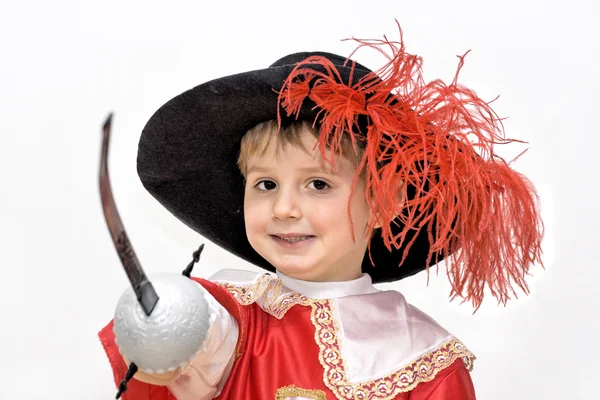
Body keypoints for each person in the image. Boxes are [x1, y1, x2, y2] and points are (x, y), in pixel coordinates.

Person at [99, 25, 543, 399]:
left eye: (318, 184)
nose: (285, 208)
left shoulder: (423, 364)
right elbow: (171, 341)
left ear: (385, 201)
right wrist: (161, 335)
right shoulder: (223, 321)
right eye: (265, 184)